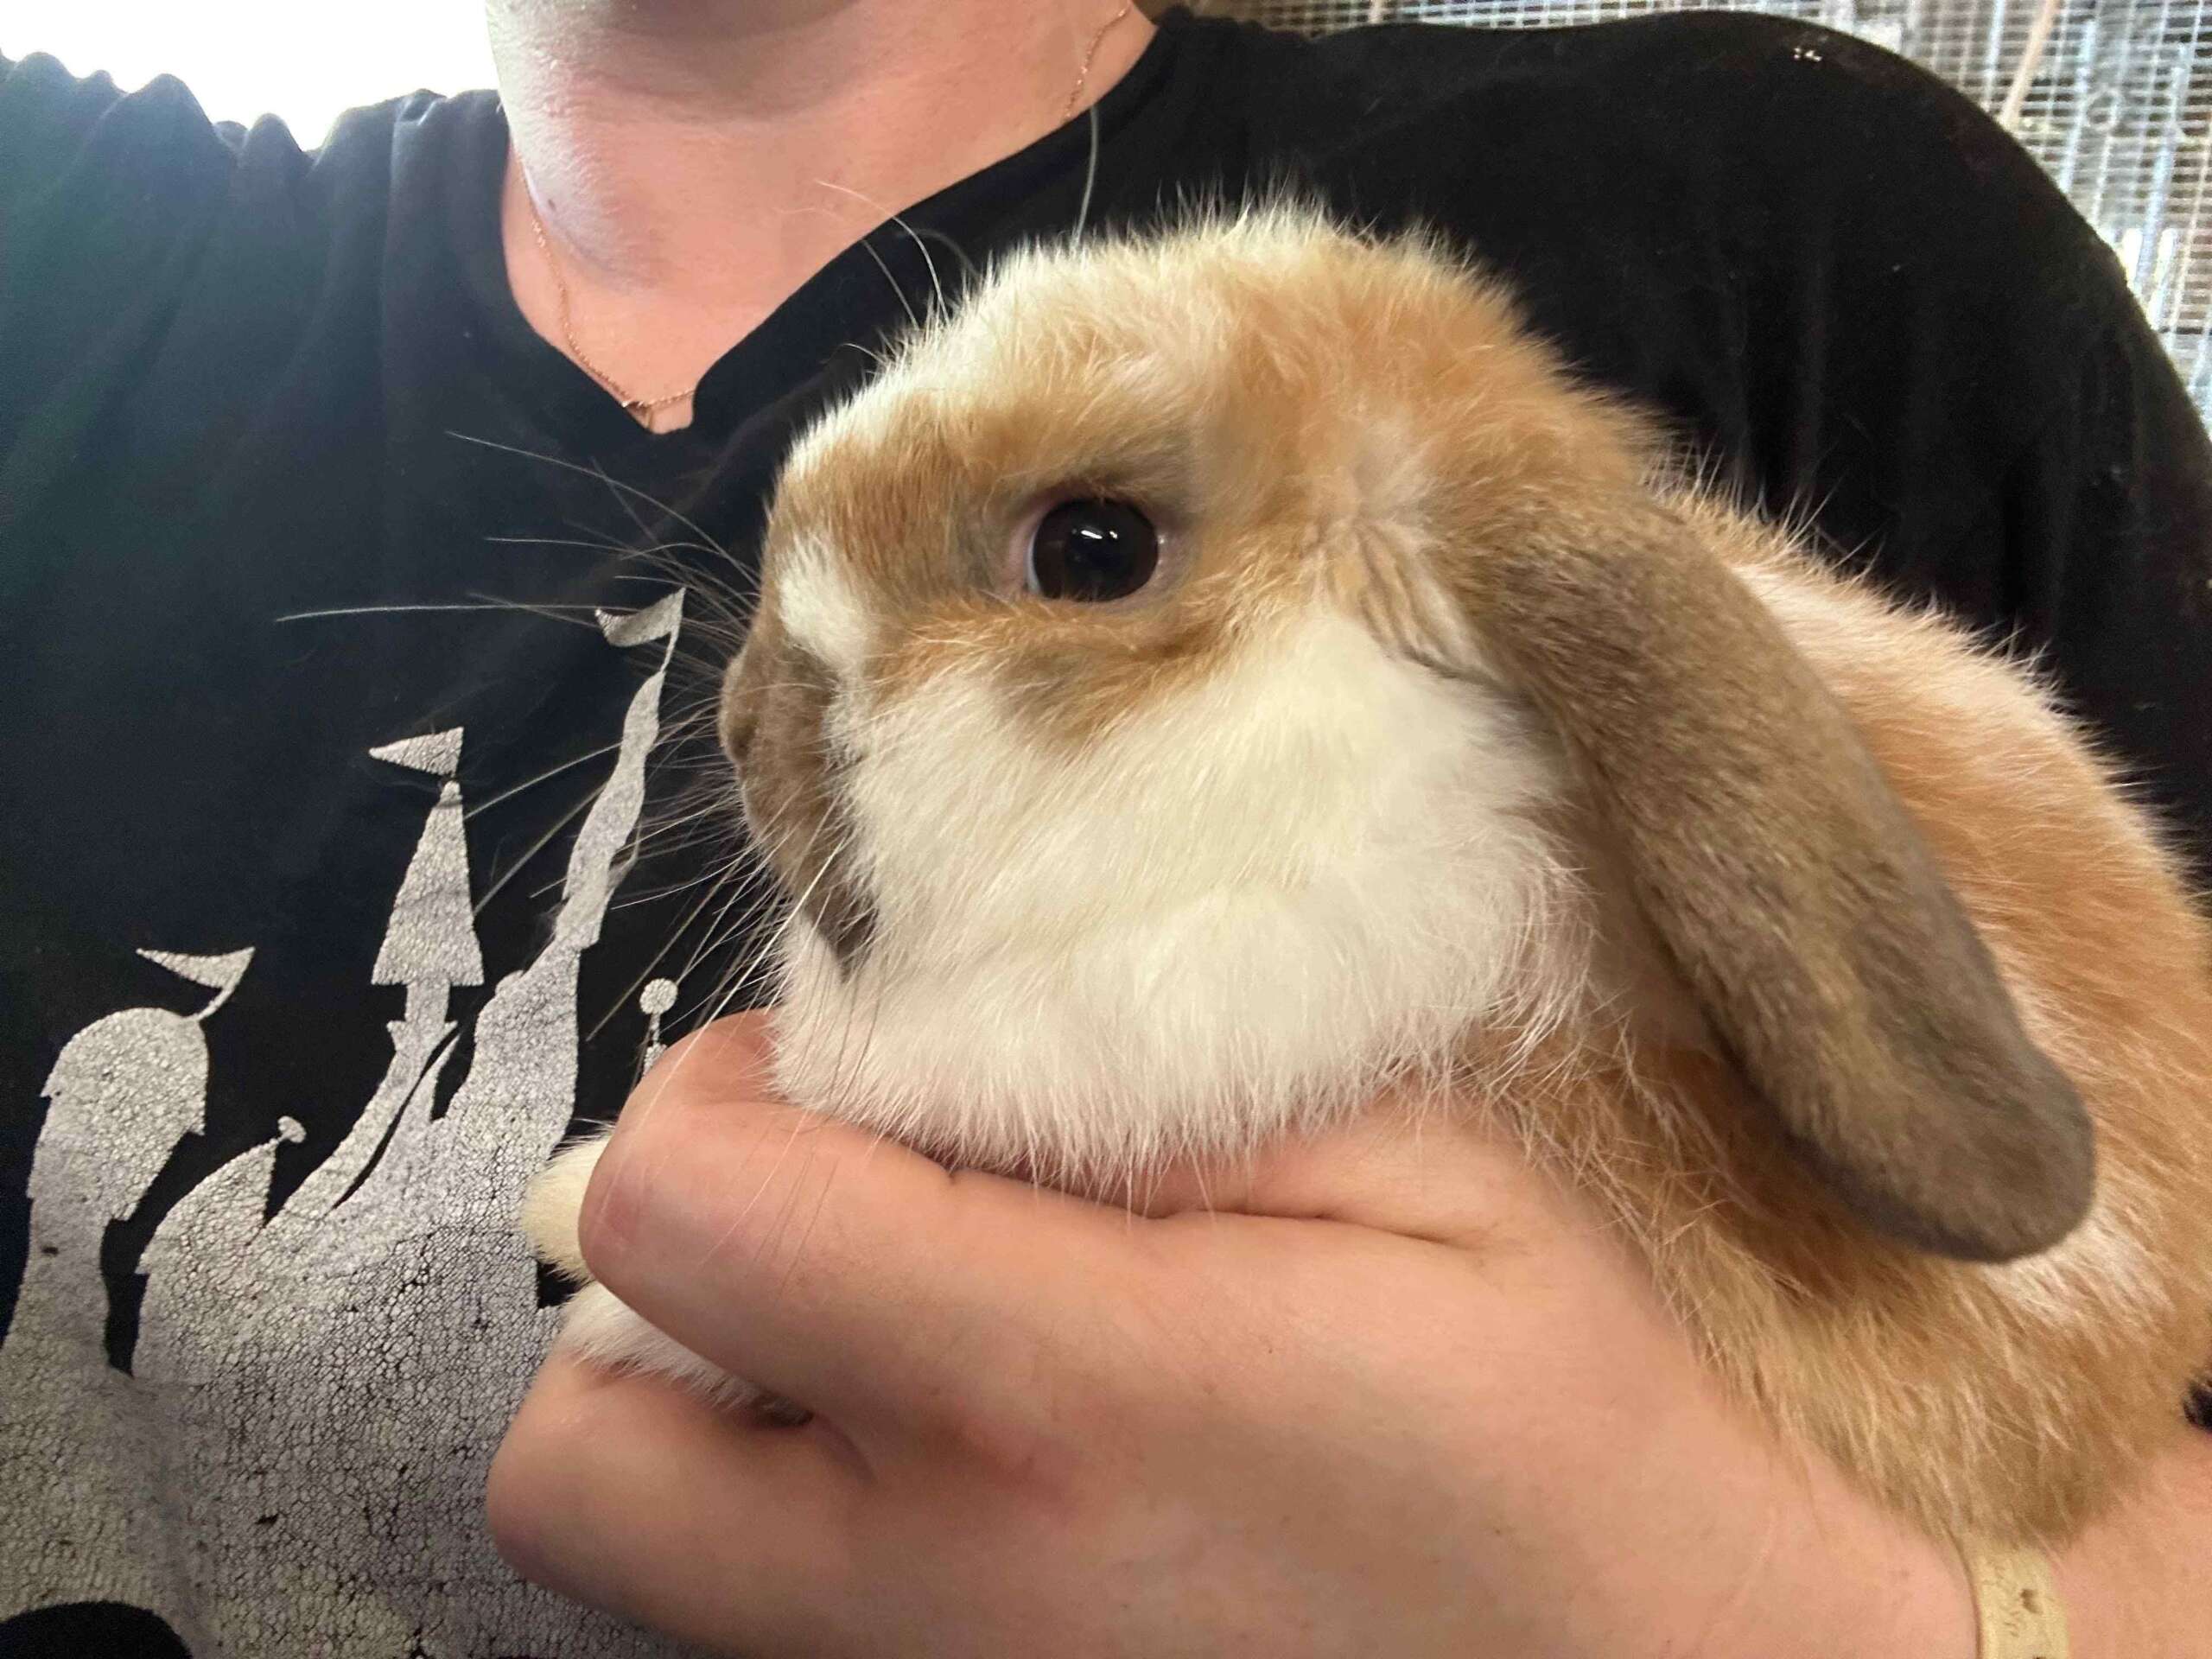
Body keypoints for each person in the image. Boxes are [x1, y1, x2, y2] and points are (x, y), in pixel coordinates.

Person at [0, 2, 2206, 1655]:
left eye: (1080, 558)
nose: (756, 723)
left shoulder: (1775, 218)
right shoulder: (72, 245)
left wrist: (1813, 1606)